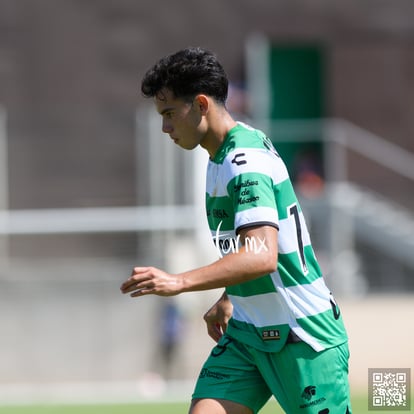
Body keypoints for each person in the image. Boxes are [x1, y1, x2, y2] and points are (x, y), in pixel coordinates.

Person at [120, 47, 352, 414]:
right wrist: (231, 296)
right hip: (248, 333)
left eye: (168, 114)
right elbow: (244, 247)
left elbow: (262, 256)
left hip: (301, 335)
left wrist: (178, 282)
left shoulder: (243, 160)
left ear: (200, 104)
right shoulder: (219, 156)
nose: (165, 127)